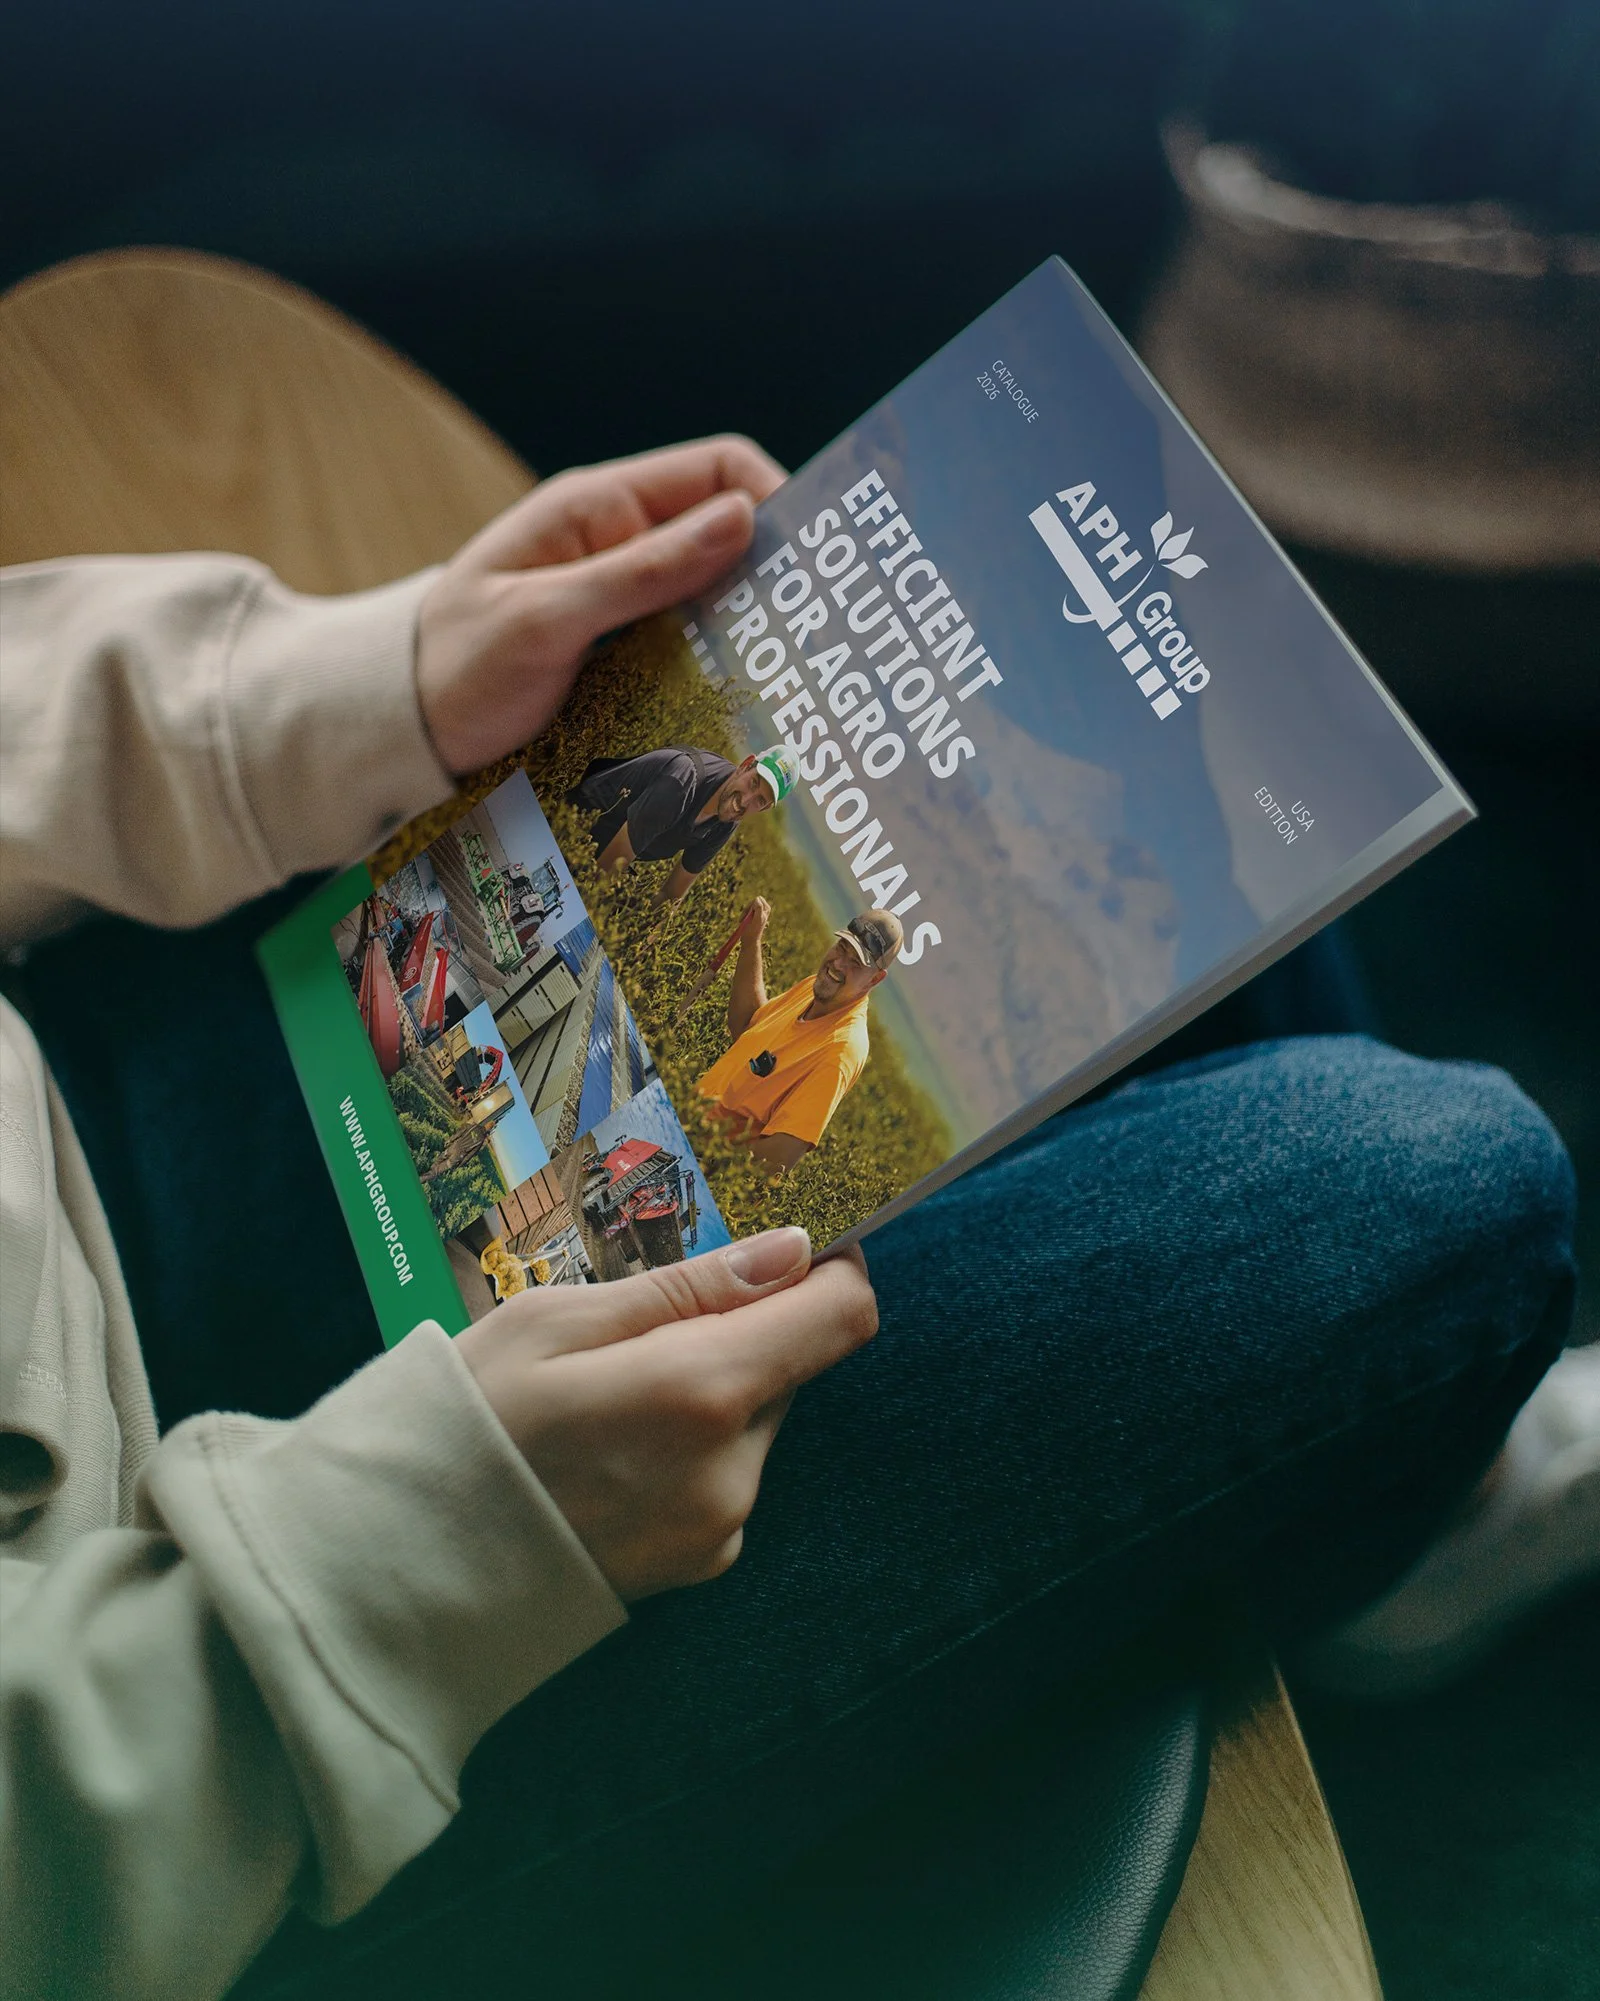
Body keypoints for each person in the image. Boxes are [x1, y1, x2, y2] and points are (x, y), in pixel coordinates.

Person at [0, 437, 1589, 2001]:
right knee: (1441, 1187)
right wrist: (394, 1559)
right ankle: (1395, 1545)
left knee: (1220, 841)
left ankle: (1371, 1475)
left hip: (73, 1063)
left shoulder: (826, 995)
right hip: (207, 1701)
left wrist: (339, 690)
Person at [696, 904, 901, 1175]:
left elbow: (774, 1162)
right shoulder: (814, 988)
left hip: (696, 1167)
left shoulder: (841, 1051)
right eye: (842, 948)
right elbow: (748, 1027)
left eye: (855, 963)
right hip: (682, 1123)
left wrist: (704, 1165)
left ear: (875, 979)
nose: (838, 965)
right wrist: (752, 942)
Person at [569, 739, 799, 907]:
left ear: (766, 808)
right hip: (569, 829)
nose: (745, 801)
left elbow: (671, 896)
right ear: (745, 765)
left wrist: (649, 941)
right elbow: (603, 872)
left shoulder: (729, 817)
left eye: (760, 800)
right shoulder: (682, 781)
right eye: (753, 783)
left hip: (603, 852)